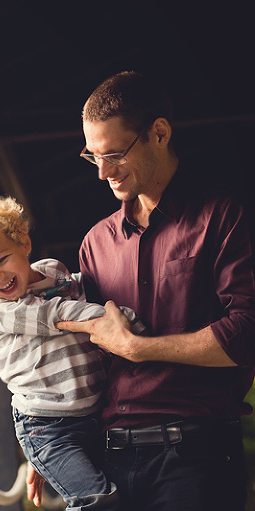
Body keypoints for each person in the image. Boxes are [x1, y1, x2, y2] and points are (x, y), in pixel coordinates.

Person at [26, 71, 255, 510]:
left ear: (159, 133)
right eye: (92, 156)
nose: (102, 172)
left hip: (196, 457)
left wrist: (139, 348)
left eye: (114, 154)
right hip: (111, 459)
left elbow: (246, 333)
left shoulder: (224, 217)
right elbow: (84, 352)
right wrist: (51, 437)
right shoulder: (95, 242)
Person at [0, 194, 145, 510]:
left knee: (124, 494)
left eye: (1, 259)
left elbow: (81, 287)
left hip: (95, 414)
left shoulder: (54, 272)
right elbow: (59, 313)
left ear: (24, 242)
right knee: (96, 500)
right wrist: (117, 320)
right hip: (47, 427)